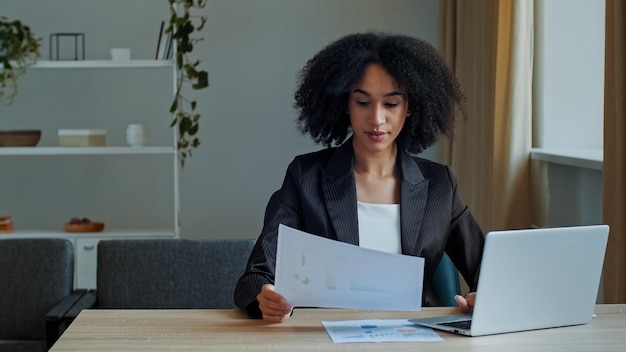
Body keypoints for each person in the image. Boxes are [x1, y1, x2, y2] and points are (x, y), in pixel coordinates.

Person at [234, 32, 485, 323]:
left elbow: (489, 271)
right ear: (345, 104)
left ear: (410, 107)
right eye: (363, 102)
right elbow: (255, 277)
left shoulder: (440, 184)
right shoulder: (306, 177)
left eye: (391, 104)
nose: (377, 119)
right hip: (324, 337)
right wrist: (265, 297)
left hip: (411, 339)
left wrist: (482, 297)